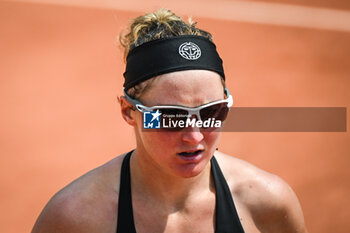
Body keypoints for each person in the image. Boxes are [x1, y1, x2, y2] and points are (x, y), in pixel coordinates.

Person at [31, 9, 308, 233]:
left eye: (212, 112)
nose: (195, 136)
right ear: (128, 111)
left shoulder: (268, 202)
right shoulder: (75, 219)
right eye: (170, 117)